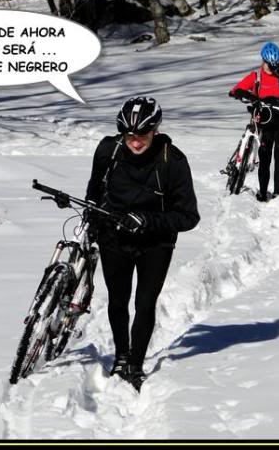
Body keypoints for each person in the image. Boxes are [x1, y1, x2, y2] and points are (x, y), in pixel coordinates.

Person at [85, 97, 200, 392]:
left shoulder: (172, 160)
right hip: (114, 237)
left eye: (143, 135)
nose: (136, 142)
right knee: (117, 300)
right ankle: (121, 357)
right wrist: (94, 218)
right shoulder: (108, 151)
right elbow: (94, 193)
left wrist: (147, 220)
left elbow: (188, 216)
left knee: (144, 303)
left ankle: (135, 365)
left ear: (155, 130)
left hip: (155, 243)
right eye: (130, 136)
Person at [229, 41, 279, 201]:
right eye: (268, 64)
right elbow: (235, 91)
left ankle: (276, 193)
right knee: (265, 158)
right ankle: (262, 193)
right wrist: (250, 97)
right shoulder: (255, 77)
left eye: (274, 65)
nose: (270, 68)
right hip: (264, 123)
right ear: (263, 61)